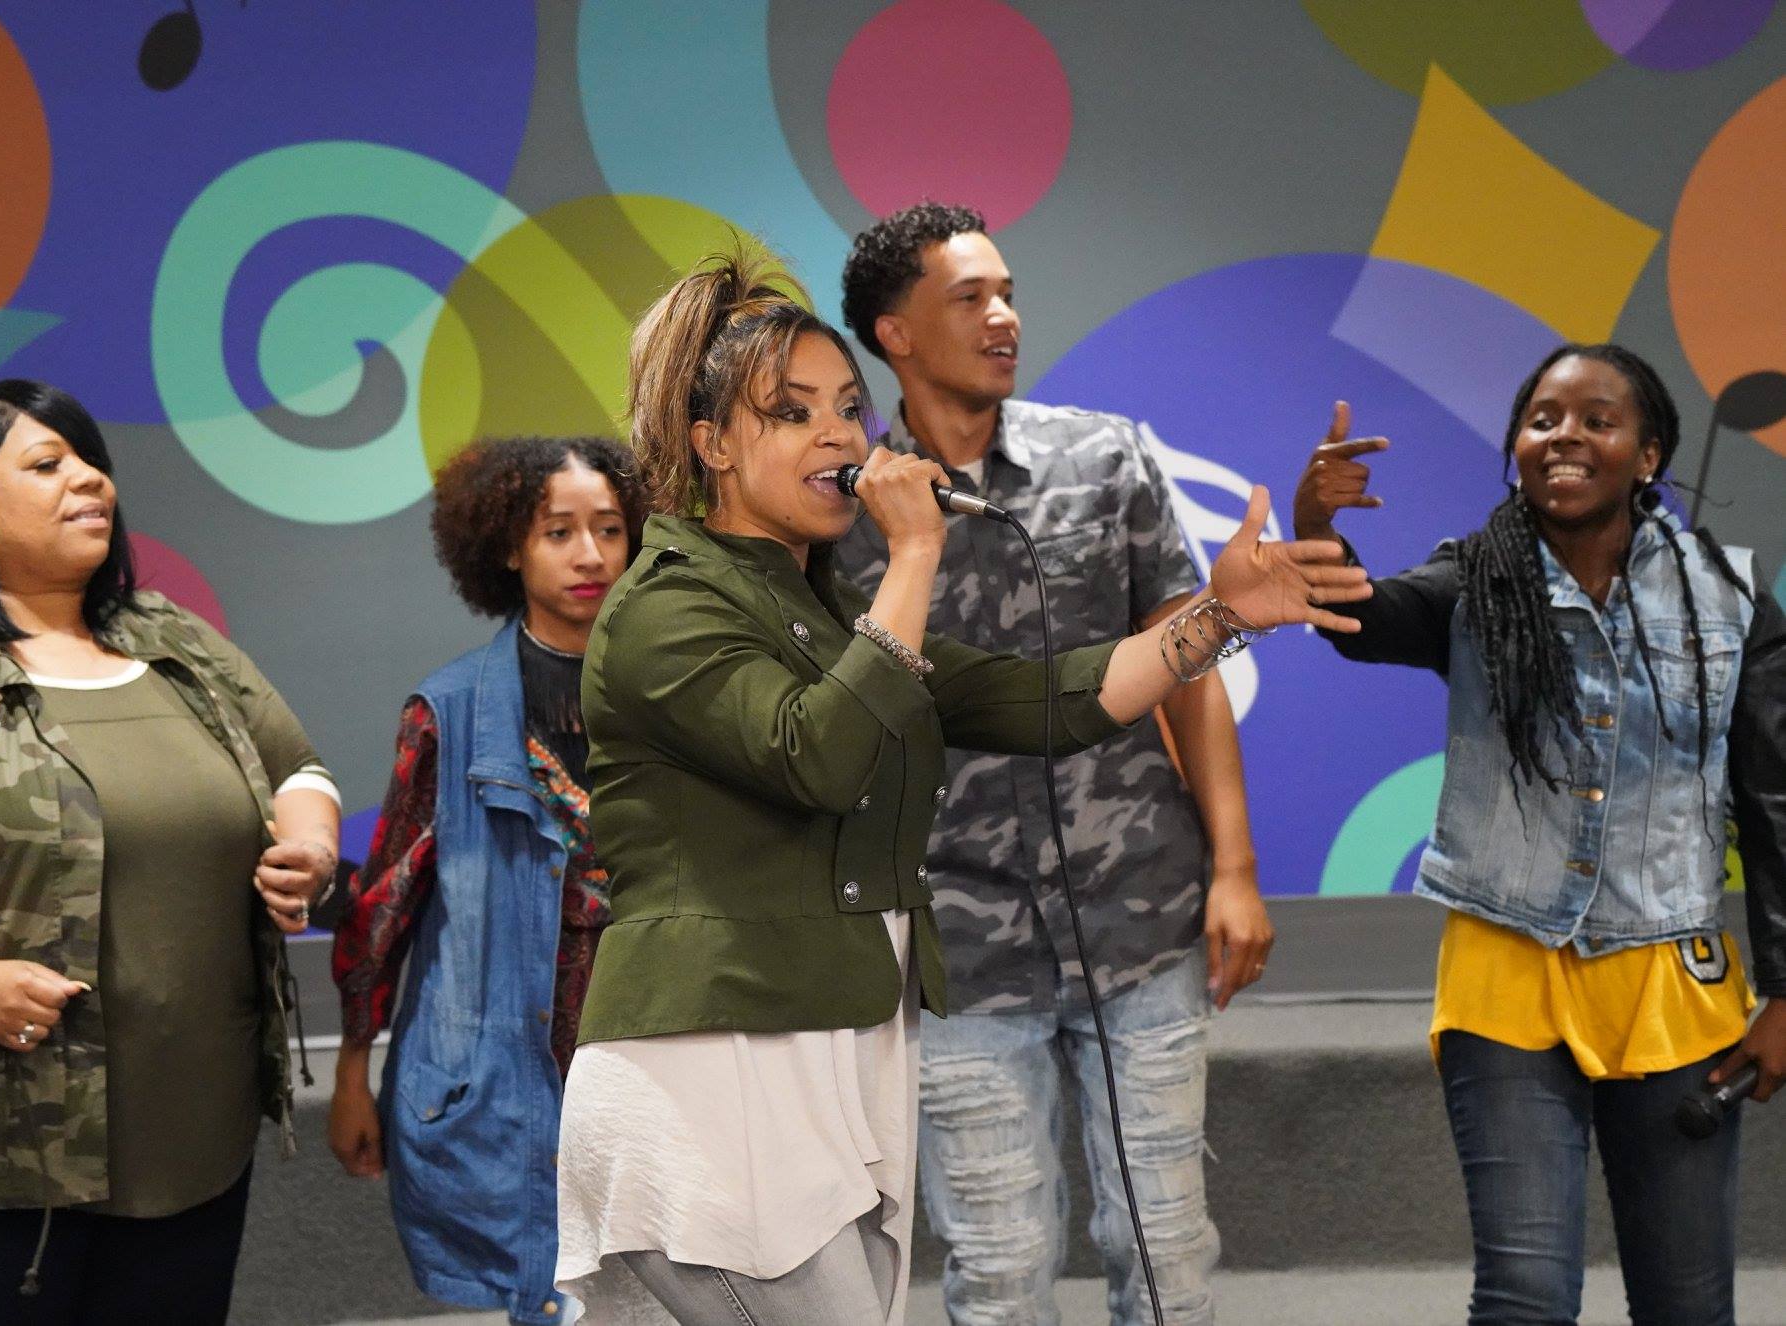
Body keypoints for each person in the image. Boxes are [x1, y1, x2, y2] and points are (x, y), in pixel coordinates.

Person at [549, 246, 1371, 1326]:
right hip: (716, 1076)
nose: (840, 436)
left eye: (847, 409)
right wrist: (913, 556)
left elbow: (1045, 700)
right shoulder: (667, 604)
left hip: (825, 1055)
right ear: (711, 445)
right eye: (792, 413)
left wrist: (1218, 615)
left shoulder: (815, 609)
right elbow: (817, 756)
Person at [0, 380, 340, 1325]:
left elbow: (297, 768)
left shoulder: (174, 642)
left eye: (91, 459)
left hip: (190, 1139)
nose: (90, 478)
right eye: (48, 464)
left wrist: (311, 844)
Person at [835, 201, 1266, 1325]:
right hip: (957, 945)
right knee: (998, 1270)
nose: (1003, 317)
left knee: (1165, 1257)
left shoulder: (1103, 457)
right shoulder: (843, 517)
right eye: (969, 297)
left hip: (1140, 913)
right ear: (894, 333)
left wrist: (1233, 869)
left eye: (1008, 293)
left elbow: (1187, 667)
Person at [1293, 344, 1786, 1326]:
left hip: (1670, 982)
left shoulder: (1727, 598)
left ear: (1647, 454)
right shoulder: (1474, 580)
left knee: (1687, 1306)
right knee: (1523, 1297)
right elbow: (1364, 619)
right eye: (1542, 420)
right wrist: (1315, 528)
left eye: (1596, 420)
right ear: (1516, 447)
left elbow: (1775, 801)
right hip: (1505, 977)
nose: (1563, 437)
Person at [327, 435, 648, 1322]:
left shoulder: (675, 699)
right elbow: (383, 907)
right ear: (508, 547)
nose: (590, 555)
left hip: (650, 1072)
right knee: (547, 1301)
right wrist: (352, 1070)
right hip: (506, 1091)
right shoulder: (451, 713)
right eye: (559, 531)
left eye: (610, 528)